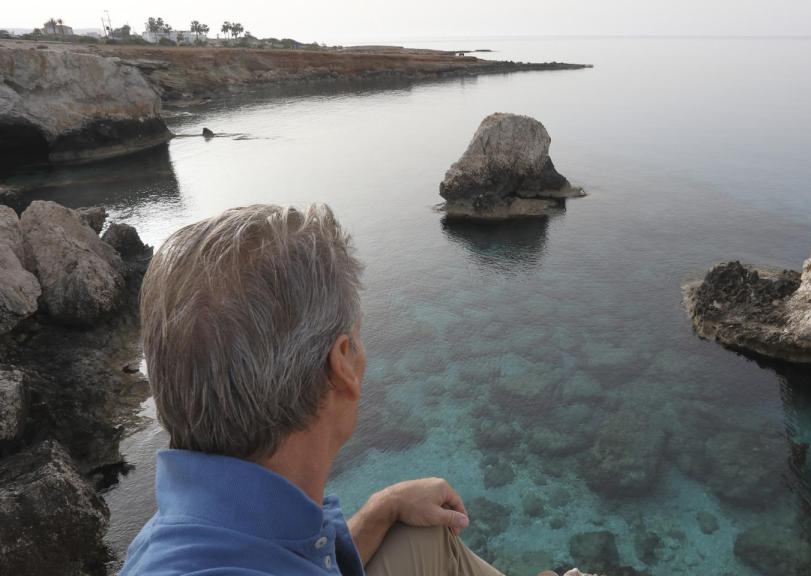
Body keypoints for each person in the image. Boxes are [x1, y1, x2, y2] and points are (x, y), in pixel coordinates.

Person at [120, 204, 541, 576]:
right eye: (357, 337)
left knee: (419, 539)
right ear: (341, 365)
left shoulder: (190, 530)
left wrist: (383, 508)